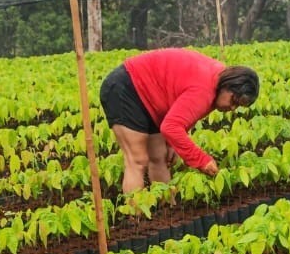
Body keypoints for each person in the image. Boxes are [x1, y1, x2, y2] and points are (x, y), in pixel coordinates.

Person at [99, 48, 259, 193]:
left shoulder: (218, 81)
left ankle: (165, 211)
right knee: (138, 160)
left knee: (160, 157)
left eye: (237, 106)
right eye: (233, 101)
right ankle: (136, 219)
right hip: (127, 88)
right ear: (228, 86)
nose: (232, 108)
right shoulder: (204, 91)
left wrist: (172, 144)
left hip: (152, 97)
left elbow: (183, 114)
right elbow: (171, 127)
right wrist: (201, 160)